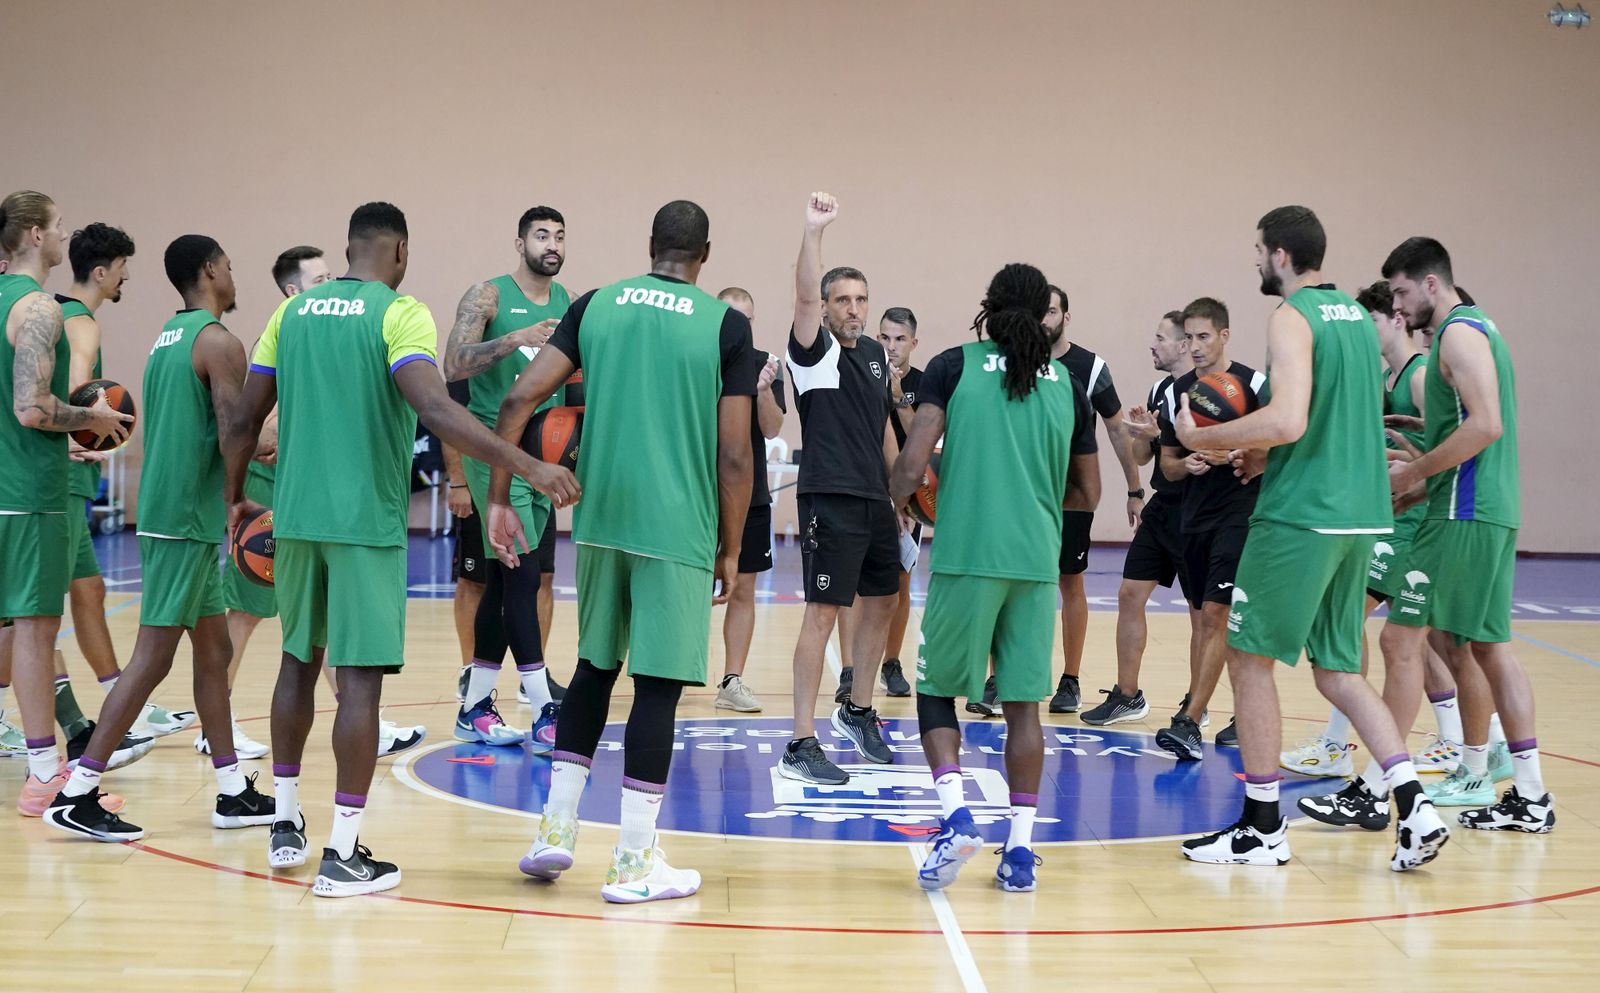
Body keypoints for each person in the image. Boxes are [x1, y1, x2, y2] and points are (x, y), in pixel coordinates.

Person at [225, 202, 578, 896]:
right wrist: (527, 465)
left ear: (348, 248)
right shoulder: (399, 313)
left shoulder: (291, 313)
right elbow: (437, 408)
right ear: (401, 252)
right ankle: (342, 852)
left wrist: (234, 496)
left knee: (297, 664)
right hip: (364, 523)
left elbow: (243, 417)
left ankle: (286, 822)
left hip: (295, 518)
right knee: (359, 682)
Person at [492, 199, 757, 903]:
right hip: (678, 528)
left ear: (650, 244)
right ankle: (634, 861)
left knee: (593, 670)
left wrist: (501, 495)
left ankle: (554, 831)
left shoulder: (594, 305)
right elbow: (735, 455)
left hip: (601, 519)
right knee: (659, 687)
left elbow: (516, 400)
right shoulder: (725, 325)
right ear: (705, 254)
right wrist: (732, 548)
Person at [1176, 205, 1447, 871]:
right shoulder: (1355, 316)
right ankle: (1414, 804)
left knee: (1248, 658)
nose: (1255, 260)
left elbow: (1290, 418)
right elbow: (1331, 417)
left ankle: (1263, 826)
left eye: (1258, 250)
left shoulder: (1292, 316)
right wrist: (1264, 453)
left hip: (1302, 515)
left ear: (1280, 254)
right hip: (1360, 514)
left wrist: (1204, 436)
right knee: (1339, 671)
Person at [46, 234, 277, 842]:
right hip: (184, 519)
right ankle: (77, 791)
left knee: (214, 651)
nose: (234, 276)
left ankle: (232, 789)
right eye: (230, 265)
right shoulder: (219, 341)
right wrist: (240, 494)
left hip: (170, 510)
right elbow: (232, 431)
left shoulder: (168, 335)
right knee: (152, 657)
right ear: (210, 270)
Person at [893, 263, 1098, 892]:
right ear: (1043, 315)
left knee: (935, 691)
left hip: (967, 555)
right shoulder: (1068, 384)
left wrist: (899, 502)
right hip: (1035, 563)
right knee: (1023, 707)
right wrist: (1031, 499)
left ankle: (957, 818)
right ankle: (1020, 851)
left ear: (989, 307)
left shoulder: (953, 366)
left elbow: (914, 461)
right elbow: (1088, 492)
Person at [210, 245, 425, 760]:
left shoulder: (322, 331)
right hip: (272, 493)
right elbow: (252, 430)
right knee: (247, 613)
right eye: (322, 279)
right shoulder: (288, 331)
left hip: (309, 495)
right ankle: (215, 720)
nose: (334, 285)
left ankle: (358, 715)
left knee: (316, 631)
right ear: (293, 291)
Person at [1279, 281, 1487, 781]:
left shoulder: (1419, 377)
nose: (1362, 330)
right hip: (1386, 517)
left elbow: (1448, 449)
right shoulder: (1382, 377)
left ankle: (1339, 743)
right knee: (1417, 639)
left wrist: (1403, 467)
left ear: (1396, 320)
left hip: (1414, 521)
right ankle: (1454, 736)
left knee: (1350, 618)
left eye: (1371, 320)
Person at [1377, 238, 1551, 832]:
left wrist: (1414, 474)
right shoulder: (1481, 328)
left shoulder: (1456, 333)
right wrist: (1423, 477)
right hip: (1485, 507)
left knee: (1401, 642)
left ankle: (1377, 786)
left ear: (1431, 282)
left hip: (1465, 512)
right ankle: (1530, 795)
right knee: (1487, 648)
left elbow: (1487, 426)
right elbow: (1471, 428)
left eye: (1401, 292)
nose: (1398, 307)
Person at [1, 190, 133, 817]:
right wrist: (93, 419)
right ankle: (43, 776)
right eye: (57, 226)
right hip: (28, 493)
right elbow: (33, 407)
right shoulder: (38, 309)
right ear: (33, 234)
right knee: (34, 631)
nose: (63, 235)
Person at [55, 224, 195, 742]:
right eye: (121, 267)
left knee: (89, 590)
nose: (126, 276)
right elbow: (79, 389)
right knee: (32, 614)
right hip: (59, 480)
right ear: (101, 271)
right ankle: (31, 722)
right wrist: (85, 430)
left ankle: (123, 699)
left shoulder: (57, 314)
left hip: (71, 479)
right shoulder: (80, 322)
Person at [781, 193, 902, 785]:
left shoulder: (876, 354)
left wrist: (900, 496)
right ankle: (801, 742)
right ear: (826, 309)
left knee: (884, 601)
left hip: (875, 500)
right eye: (842, 300)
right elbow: (804, 294)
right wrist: (813, 232)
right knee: (823, 613)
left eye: (860, 299)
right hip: (829, 496)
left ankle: (857, 708)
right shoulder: (814, 352)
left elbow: (883, 428)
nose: (853, 308)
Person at [443, 206, 572, 751]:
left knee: (504, 582)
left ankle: (474, 708)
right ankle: (544, 712)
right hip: (495, 452)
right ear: (520, 243)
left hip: (543, 456)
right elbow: (453, 365)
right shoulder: (489, 296)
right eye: (542, 235)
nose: (552, 244)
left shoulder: (568, 302)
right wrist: (516, 336)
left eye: (559, 236)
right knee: (520, 579)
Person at [1151, 298, 1265, 759]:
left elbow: (1280, 444)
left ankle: (1189, 720)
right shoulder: (1177, 391)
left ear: (1224, 336)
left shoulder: (1254, 385)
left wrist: (1242, 454)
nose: (1194, 346)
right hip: (1193, 517)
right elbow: (1167, 464)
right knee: (1204, 620)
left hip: (1240, 515)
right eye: (1189, 338)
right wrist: (1191, 463)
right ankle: (1234, 714)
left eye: (1203, 337)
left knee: (1218, 615)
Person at [1081, 311, 1202, 727]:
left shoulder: (1208, 391)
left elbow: (1203, 451)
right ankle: (1128, 695)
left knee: (1201, 613)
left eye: (1160, 338)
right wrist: (1142, 436)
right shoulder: (1159, 390)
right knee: (1130, 594)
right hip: (1162, 509)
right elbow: (1144, 456)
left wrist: (1161, 435)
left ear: (1184, 345)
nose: (1153, 344)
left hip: (1198, 512)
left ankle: (1196, 703)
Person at [1041, 284, 1143, 714]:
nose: (1043, 319)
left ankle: (1070, 680)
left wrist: (1135, 490)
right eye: (1037, 312)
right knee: (1014, 584)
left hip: (1072, 497)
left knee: (1071, 582)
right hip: (1025, 495)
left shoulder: (1090, 367)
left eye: (1050, 311)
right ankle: (999, 677)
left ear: (1066, 317)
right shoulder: (1015, 362)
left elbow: (1118, 429)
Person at [713, 286, 785, 713]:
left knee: (742, 589)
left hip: (749, 497)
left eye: (747, 318)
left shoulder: (766, 365)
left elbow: (773, 428)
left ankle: (732, 681)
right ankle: (669, 677)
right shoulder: (695, 360)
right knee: (684, 587)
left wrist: (763, 391)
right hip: (697, 494)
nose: (740, 325)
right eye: (732, 316)